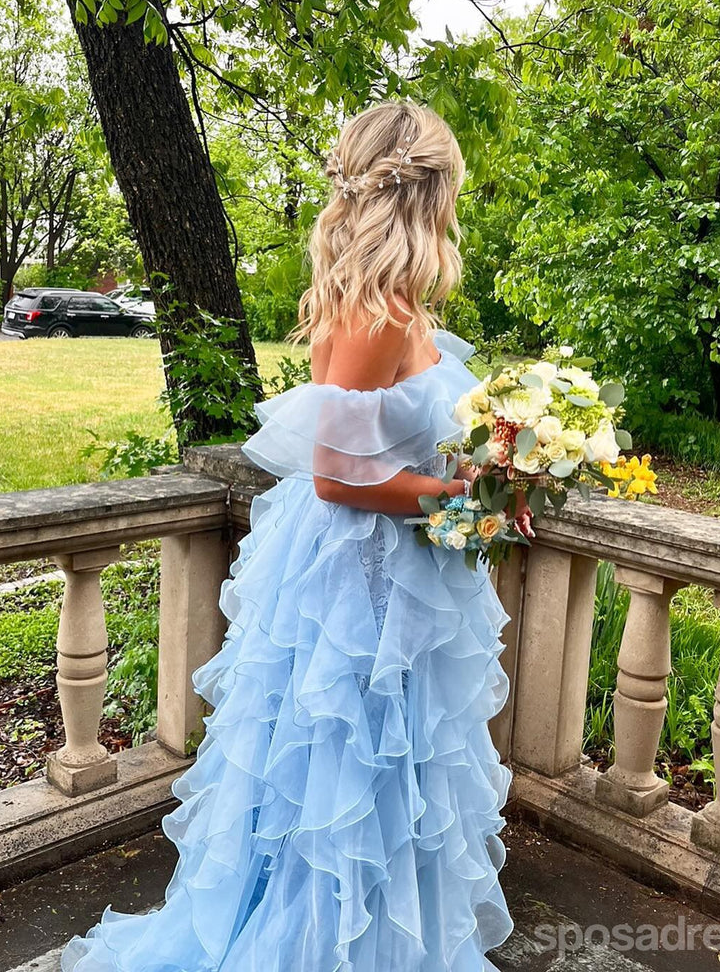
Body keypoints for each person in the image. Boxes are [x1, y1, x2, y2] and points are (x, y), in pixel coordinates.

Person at [62, 100, 517, 972]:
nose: (456, 204)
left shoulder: (402, 305)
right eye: (451, 187)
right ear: (425, 192)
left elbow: (386, 445)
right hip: (364, 584)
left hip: (398, 577)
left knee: (393, 780)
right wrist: (465, 497)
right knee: (345, 780)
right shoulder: (374, 312)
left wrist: (487, 473)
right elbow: (339, 476)